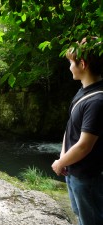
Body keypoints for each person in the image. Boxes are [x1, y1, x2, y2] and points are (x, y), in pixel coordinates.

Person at [52, 37, 103, 225]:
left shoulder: (97, 101)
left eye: (71, 63)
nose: (69, 68)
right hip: (74, 170)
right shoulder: (84, 91)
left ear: (82, 64)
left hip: (87, 175)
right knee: (81, 216)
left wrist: (59, 163)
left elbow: (84, 145)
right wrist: (63, 156)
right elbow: (70, 125)